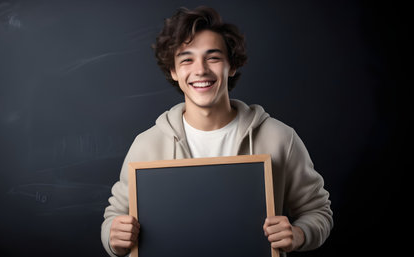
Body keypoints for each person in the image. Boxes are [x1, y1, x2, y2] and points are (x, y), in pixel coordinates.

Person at [101, 6, 333, 257]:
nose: (200, 70)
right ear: (174, 71)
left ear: (231, 66)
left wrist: (298, 235)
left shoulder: (279, 138)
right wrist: (114, 238)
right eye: (186, 59)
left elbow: (318, 211)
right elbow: (114, 218)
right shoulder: (147, 145)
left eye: (213, 57)